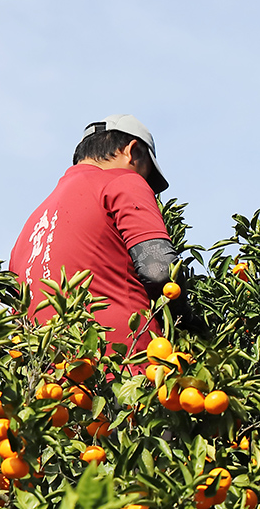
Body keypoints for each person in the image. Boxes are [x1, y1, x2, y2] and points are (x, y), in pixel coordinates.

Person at [10, 114, 186, 356]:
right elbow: (158, 269)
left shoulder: (31, 226)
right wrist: (188, 323)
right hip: (123, 365)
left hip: (51, 376)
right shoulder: (122, 181)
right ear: (132, 152)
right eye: (146, 173)